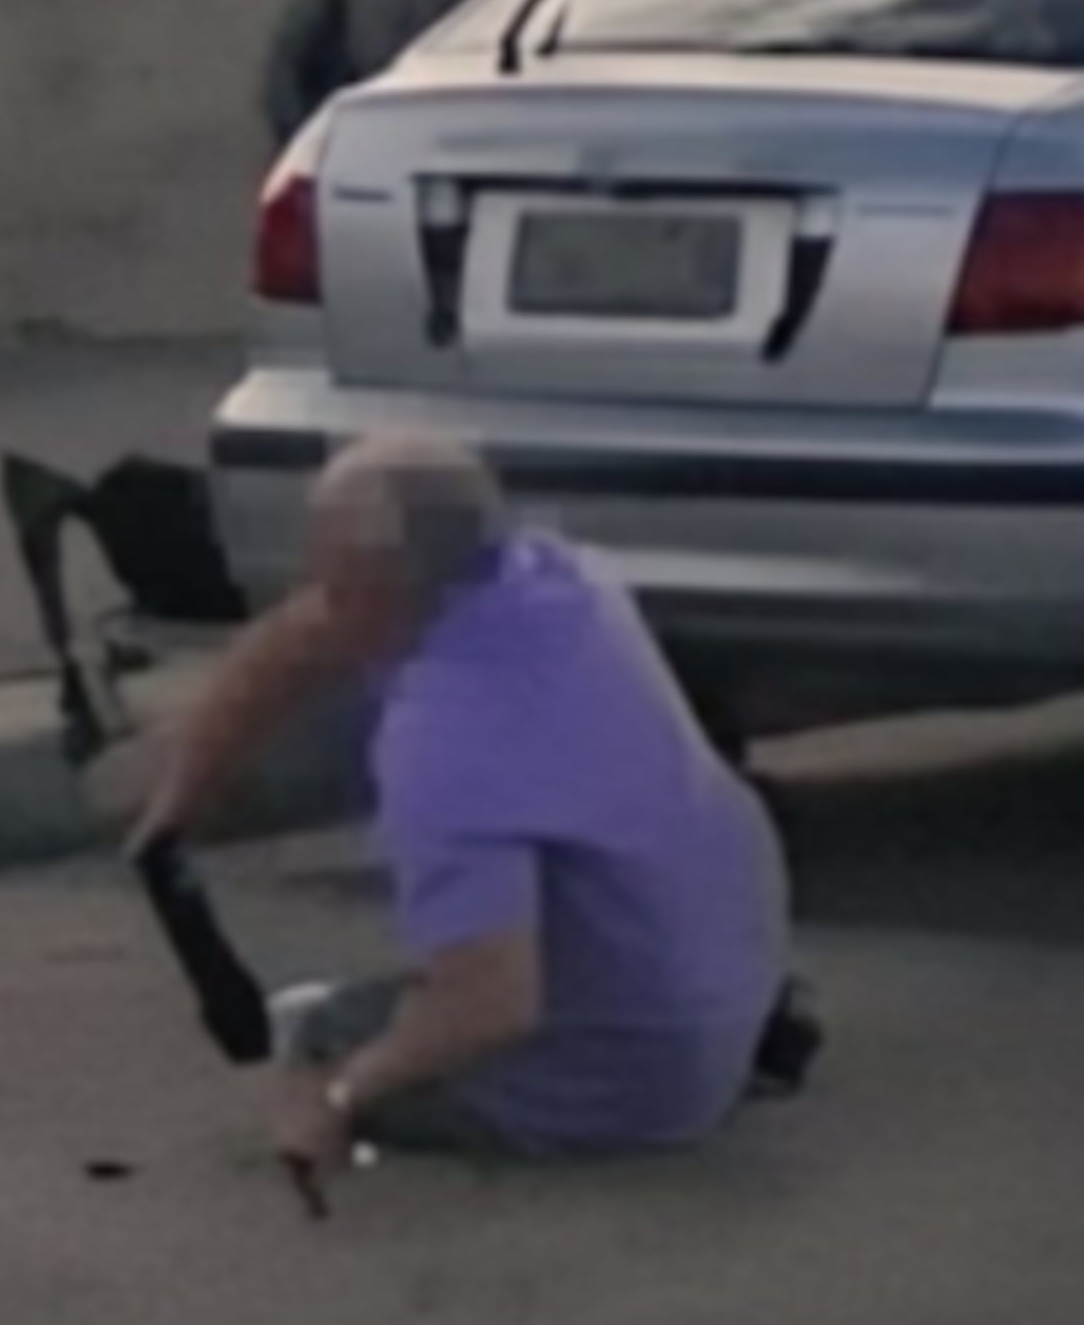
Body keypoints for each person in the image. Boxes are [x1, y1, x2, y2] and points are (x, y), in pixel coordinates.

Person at [132, 432, 792, 1173]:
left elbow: (493, 1006)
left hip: (633, 1084)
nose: (311, 581)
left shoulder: (445, 739)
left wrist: (342, 1096)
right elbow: (298, 634)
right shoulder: (560, 577)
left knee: (323, 1034)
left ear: (380, 584)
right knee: (432, 985)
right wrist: (175, 803)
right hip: (732, 985)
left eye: (330, 571)